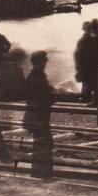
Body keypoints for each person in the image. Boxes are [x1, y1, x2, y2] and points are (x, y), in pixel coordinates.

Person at [23, 50, 56, 179]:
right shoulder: (37, 76)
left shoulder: (35, 75)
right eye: (43, 61)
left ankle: (37, 172)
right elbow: (42, 96)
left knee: (40, 144)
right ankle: (45, 174)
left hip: (37, 117)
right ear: (37, 62)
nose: (45, 63)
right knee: (45, 143)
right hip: (38, 117)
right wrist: (53, 96)